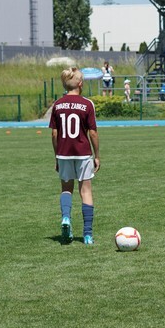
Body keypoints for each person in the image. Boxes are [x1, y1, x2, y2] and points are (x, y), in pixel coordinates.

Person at [50, 67, 100, 245]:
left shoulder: (57, 104)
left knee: (66, 189)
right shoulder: (87, 104)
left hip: (63, 153)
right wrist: (97, 155)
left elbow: (54, 134)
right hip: (83, 153)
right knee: (85, 191)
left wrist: (57, 156)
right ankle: (87, 235)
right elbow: (93, 133)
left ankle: (66, 218)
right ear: (80, 83)